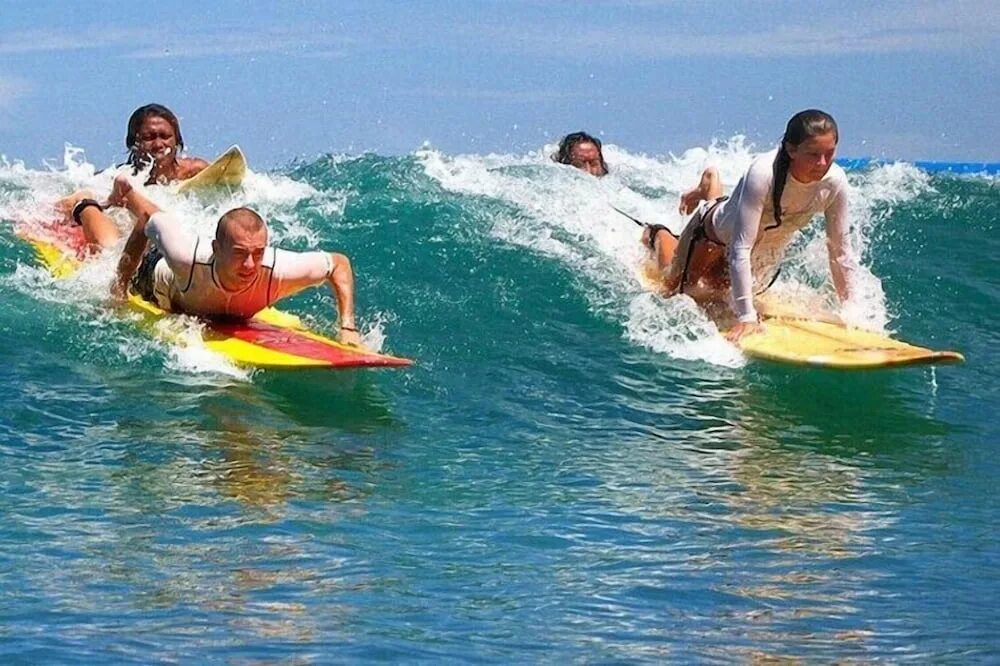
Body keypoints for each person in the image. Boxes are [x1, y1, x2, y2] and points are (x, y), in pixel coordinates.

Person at [642, 109, 859, 341]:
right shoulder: (764, 172)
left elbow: (840, 253)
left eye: (830, 153)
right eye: (813, 154)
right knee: (676, 290)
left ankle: (710, 187)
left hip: (754, 244)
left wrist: (854, 313)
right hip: (710, 235)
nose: (822, 163)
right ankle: (658, 233)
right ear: (791, 149)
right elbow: (740, 249)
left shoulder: (835, 183)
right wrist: (747, 318)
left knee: (717, 291)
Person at [107, 174, 365, 347]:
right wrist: (118, 289)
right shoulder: (187, 257)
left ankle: (128, 192)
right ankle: (89, 206)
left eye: (258, 253)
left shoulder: (278, 269)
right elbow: (145, 223)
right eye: (240, 254)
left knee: (164, 224)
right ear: (216, 249)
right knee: (113, 239)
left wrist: (348, 326)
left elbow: (338, 263)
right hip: (157, 277)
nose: (251, 265)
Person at [57, 103, 209, 250]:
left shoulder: (195, 170)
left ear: (177, 140)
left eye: (165, 136)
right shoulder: (118, 177)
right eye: (148, 138)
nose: (158, 144)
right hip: (122, 228)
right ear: (133, 144)